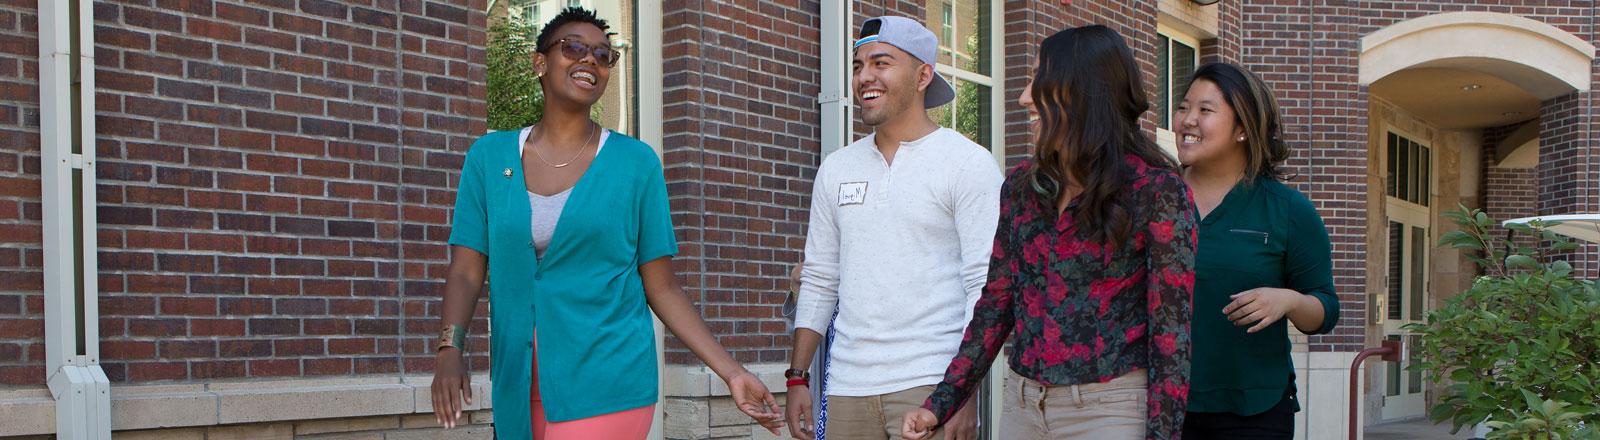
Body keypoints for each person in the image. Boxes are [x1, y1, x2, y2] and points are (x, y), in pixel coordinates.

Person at [429, 8, 782, 439]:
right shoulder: (488, 158)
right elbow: (467, 269)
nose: (589, 60)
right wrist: (451, 347)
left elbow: (662, 286)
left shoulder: (636, 164)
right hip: (517, 385)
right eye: (573, 47)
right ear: (539, 62)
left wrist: (731, 373)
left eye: (602, 54)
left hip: (609, 381)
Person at [902, 24, 1197, 440]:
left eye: (1038, 80)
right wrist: (941, 403)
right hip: (1023, 406)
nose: (1024, 97)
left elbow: (1171, 335)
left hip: (1110, 411)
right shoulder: (1023, 187)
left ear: (1082, 92)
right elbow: (996, 304)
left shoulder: (1157, 192)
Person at [786, 15, 1003, 440]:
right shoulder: (837, 168)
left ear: (923, 75)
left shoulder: (968, 163)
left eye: (881, 63)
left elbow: (985, 286)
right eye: (857, 65)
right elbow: (820, 278)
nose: (865, 76)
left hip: (931, 383)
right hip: (847, 387)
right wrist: (797, 378)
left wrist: (963, 392)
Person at [1173, 62, 1340, 440]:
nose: (1187, 119)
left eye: (1205, 110)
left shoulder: (1288, 210)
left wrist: (1289, 300)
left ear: (1243, 129)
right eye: (1184, 106)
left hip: (1254, 413)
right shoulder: (1155, 198)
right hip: (1160, 405)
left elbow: (1326, 309)